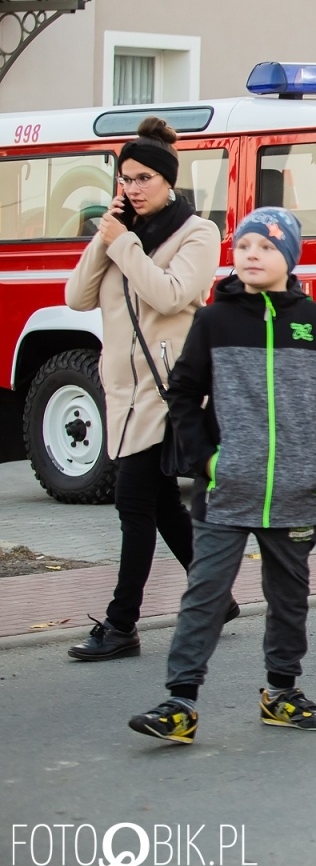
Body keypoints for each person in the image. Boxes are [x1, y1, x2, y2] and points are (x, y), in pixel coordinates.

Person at [128, 209, 316, 744]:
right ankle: (180, 702)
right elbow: (183, 393)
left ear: (290, 257)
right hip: (225, 491)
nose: (252, 255)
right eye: (244, 246)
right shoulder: (215, 320)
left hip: (295, 493)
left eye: (266, 247)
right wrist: (208, 462)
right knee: (205, 595)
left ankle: (282, 694)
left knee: (289, 598)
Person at [64, 117, 225, 663]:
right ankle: (216, 594)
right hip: (122, 391)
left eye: (143, 178)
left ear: (167, 180)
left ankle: (121, 625)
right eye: (125, 179)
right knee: (159, 504)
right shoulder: (118, 232)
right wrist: (106, 235)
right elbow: (76, 297)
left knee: (133, 502)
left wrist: (126, 244)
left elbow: (173, 295)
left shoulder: (197, 233)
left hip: (168, 390)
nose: (132, 188)